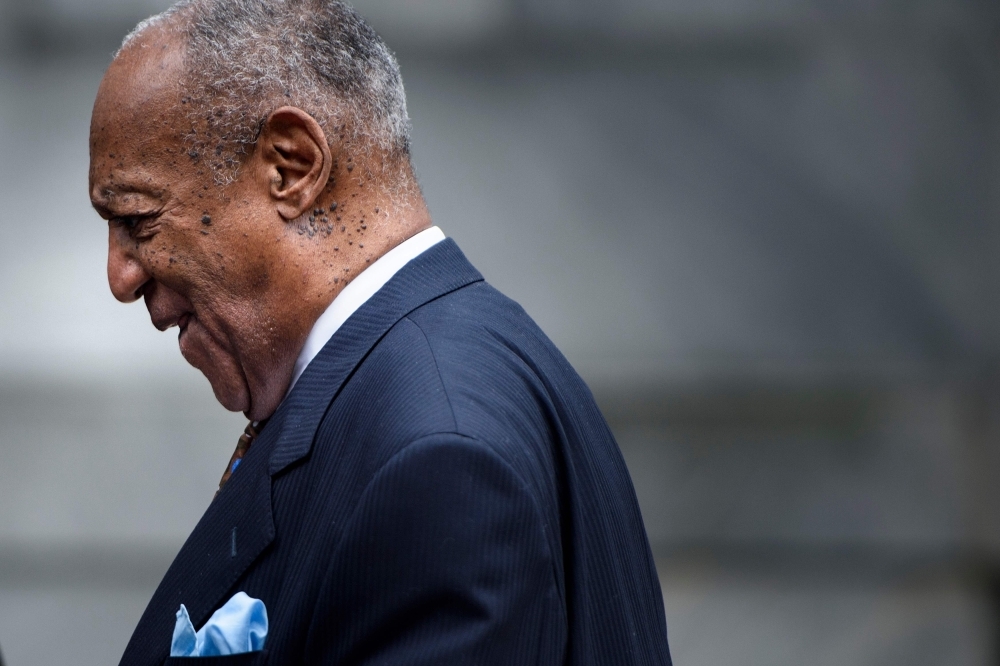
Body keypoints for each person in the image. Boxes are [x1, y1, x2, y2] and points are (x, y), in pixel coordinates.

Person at [89, 1, 672, 664]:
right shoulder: (425, 382)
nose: (120, 277)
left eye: (136, 219)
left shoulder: (437, 453)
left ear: (291, 166)